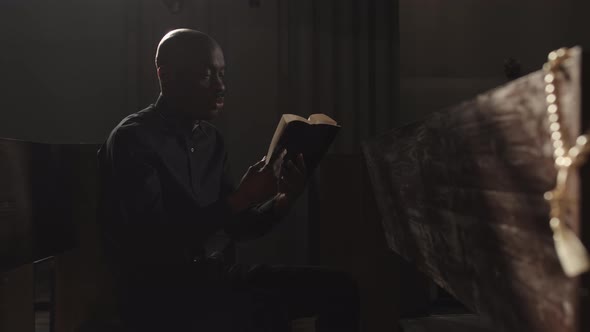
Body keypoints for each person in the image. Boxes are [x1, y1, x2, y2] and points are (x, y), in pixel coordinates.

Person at [97, 28, 359, 332]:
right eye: (206, 75)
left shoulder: (212, 140)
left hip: (216, 279)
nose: (220, 87)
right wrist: (241, 198)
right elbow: (155, 243)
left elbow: (236, 227)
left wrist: (282, 202)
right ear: (165, 75)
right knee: (263, 314)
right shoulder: (133, 140)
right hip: (161, 294)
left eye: (222, 74)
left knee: (340, 287)